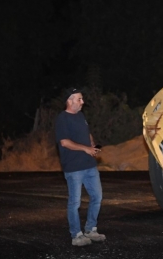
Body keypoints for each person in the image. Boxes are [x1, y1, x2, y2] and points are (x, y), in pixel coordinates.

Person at [55, 87, 106, 246]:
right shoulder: (62, 118)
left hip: (89, 165)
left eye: (82, 99)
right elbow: (64, 142)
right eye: (79, 99)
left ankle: (91, 229)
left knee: (97, 197)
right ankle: (76, 235)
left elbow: (87, 132)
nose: (82, 102)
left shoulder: (81, 116)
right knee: (75, 203)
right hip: (74, 168)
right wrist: (85, 149)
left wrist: (91, 143)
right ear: (70, 101)